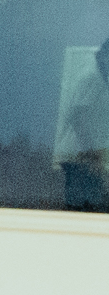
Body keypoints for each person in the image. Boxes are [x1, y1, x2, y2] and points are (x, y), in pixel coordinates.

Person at [55, 38, 109, 212]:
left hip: (86, 158)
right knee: (84, 212)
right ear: (105, 55)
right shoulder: (91, 76)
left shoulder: (100, 75)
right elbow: (79, 118)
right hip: (79, 159)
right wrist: (94, 158)